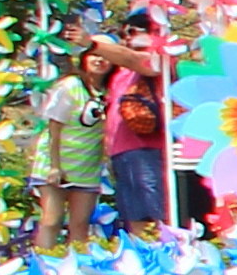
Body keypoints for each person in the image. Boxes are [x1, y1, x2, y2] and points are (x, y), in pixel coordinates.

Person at [98, 18, 171, 239]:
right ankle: (143, 256)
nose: (127, 37)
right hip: (123, 154)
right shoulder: (121, 73)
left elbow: (133, 59)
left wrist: (91, 43)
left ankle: (162, 253)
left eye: (134, 31)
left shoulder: (158, 61)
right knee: (133, 212)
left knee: (151, 212)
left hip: (145, 151)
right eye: (124, 33)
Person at [29, 38, 106, 251]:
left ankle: (79, 271)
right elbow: (54, 128)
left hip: (87, 167)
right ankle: (45, 266)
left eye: (105, 56)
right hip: (57, 164)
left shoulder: (109, 91)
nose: (100, 60)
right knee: (52, 220)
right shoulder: (70, 86)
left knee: (80, 225)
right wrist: (55, 166)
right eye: (94, 55)